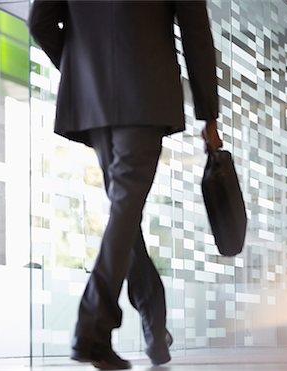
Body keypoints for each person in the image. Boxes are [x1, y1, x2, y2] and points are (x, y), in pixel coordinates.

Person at [28, 1, 222, 369]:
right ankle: (92, 330)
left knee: (124, 212)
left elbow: (40, 23)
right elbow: (196, 34)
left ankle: (153, 320)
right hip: (146, 96)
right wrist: (208, 115)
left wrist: (80, 69)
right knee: (124, 209)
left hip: (93, 100)